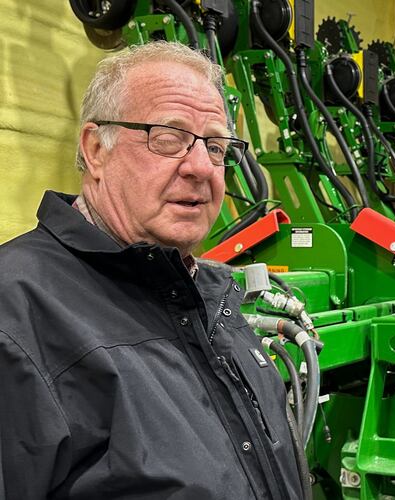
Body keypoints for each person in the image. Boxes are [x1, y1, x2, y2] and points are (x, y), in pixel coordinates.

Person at [0, 41, 303, 499]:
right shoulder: (16, 312)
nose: (202, 167)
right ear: (95, 149)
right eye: (168, 137)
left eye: (217, 146)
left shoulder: (211, 294)